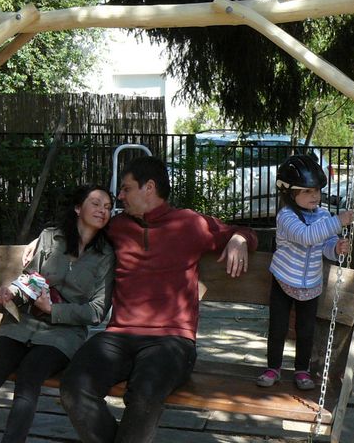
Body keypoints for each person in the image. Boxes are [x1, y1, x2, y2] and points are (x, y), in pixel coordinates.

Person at [60, 156, 258, 443]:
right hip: (119, 335)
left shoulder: (189, 223)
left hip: (172, 341)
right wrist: (37, 243)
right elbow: (75, 231)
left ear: (149, 187)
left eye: (126, 188)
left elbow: (244, 232)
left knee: (144, 395)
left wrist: (239, 239)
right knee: (74, 386)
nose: (120, 196)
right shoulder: (117, 227)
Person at [0, 184, 115, 443]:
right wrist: (11, 292)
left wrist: (54, 310)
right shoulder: (50, 238)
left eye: (107, 207)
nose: (102, 210)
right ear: (77, 207)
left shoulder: (105, 255)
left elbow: (96, 311)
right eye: (95, 204)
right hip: (23, 323)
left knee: (29, 375)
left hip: (62, 335)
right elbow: (31, 279)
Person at [256, 154, 354, 391]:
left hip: (311, 282)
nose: (315, 196)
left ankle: (302, 370)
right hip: (284, 279)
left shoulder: (323, 216)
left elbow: (325, 246)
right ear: (291, 193)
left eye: (317, 190)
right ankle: (273, 367)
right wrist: (338, 221)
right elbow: (306, 237)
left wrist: (336, 248)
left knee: (306, 329)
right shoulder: (286, 217)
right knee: (278, 327)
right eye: (307, 191)